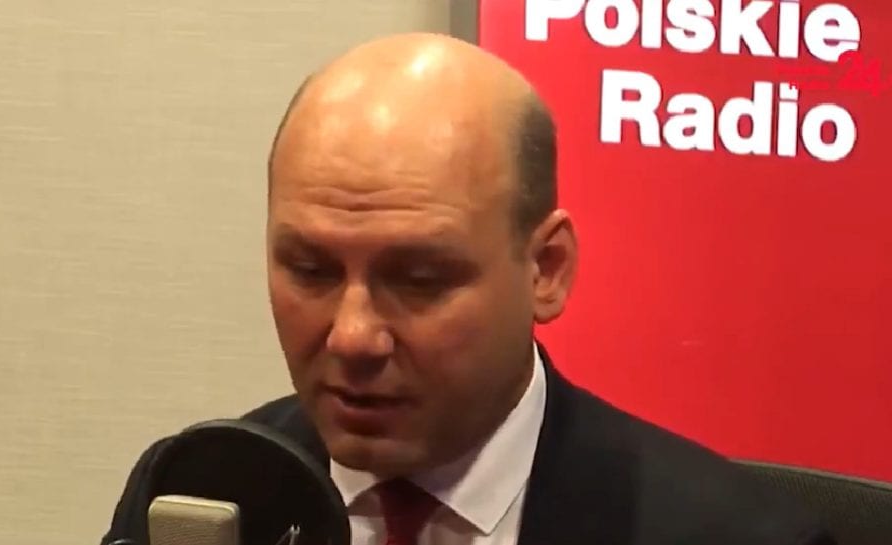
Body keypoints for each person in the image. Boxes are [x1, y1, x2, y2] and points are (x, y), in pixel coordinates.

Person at [101, 32, 835, 545]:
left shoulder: (739, 535)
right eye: (311, 270)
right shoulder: (195, 497)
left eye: (419, 280)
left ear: (546, 269)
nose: (353, 336)